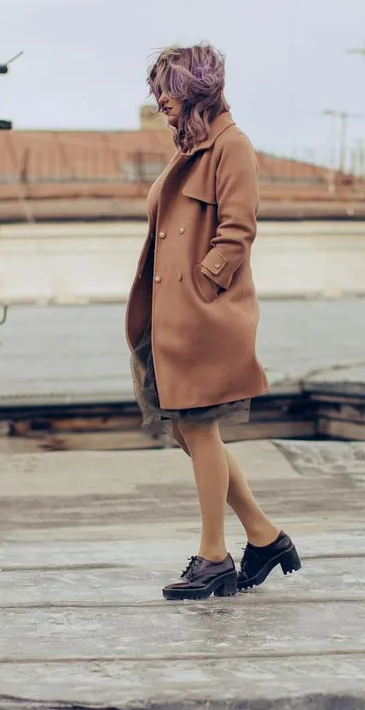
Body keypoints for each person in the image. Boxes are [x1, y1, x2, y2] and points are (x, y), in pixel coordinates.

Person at [126, 43, 301, 600]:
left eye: (168, 92)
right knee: (188, 431)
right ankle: (264, 536)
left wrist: (203, 288)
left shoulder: (232, 146)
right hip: (171, 317)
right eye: (157, 93)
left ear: (196, 89)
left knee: (199, 429)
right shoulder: (193, 151)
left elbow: (238, 231)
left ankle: (213, 556)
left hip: (202, 316)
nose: (161, 102)